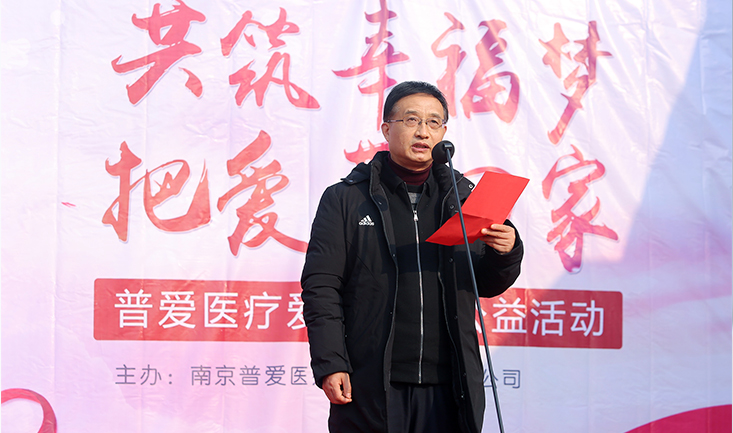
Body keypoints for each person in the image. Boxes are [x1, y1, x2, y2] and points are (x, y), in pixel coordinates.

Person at [301, 81, 523, 433]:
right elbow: (321, 287)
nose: (423, 132)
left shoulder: (463, 199)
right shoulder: (346, 199)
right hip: (371, 382)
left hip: (450, 386)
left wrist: (506, 252)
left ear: (444, 133)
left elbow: (487, 283)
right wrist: (331, 362)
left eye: (434, 122)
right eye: (411, 120)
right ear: (386, 129)